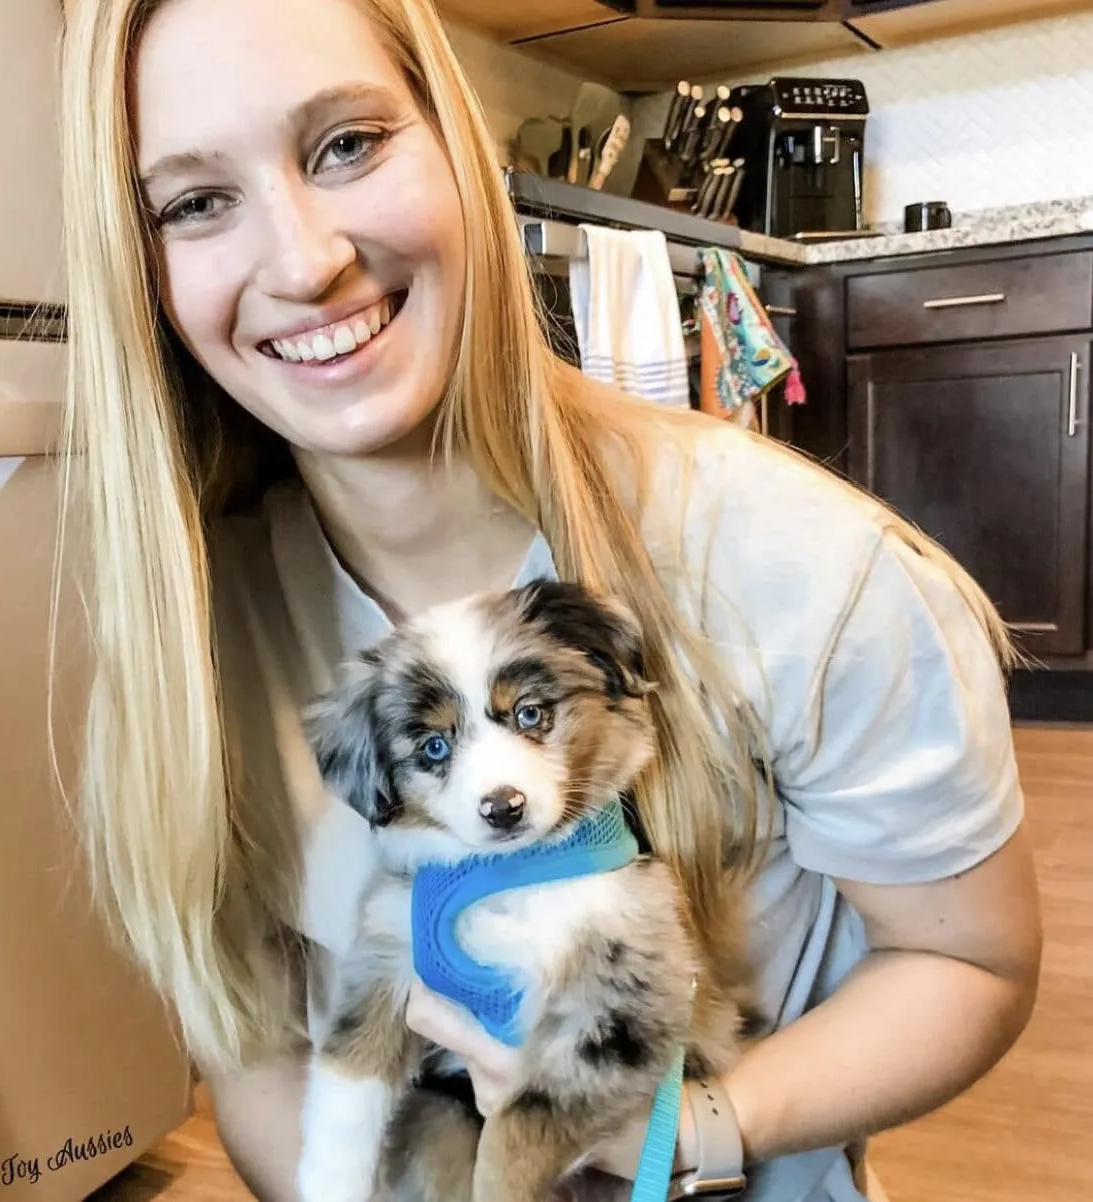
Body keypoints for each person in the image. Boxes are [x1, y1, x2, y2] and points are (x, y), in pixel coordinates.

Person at [54, 0, 1043, 1198]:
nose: (305, 260)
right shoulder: (194, 639)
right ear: (138, 265)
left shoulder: (808, 572)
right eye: (195, 202)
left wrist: (690, 1128)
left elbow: (965, 962)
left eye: (347, 144)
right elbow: (252, 1040)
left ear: (455, 146)